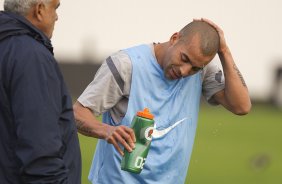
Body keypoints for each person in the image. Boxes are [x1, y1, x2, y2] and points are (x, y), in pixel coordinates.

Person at [73, 18, 251, 184]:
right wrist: (106, 130)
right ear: (174, 38)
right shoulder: (126, 65)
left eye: (195, 67)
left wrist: (224, 51)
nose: (185, 71)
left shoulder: (201, 71)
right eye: (184, 59)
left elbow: (241, 106)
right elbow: (77, 112)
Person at [0, 0, 81, 183]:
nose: (57, 16)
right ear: (39, 10)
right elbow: (40, 151)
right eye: (55, 8)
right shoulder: (31, 57)